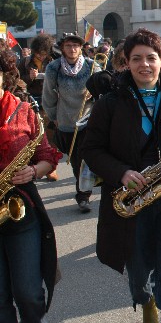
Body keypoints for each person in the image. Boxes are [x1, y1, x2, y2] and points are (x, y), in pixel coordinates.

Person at [81, 28, 161, 322]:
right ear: (126, 61)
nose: (144, 64)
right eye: (136, 58)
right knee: (139, 273)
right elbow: (92, 149)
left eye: (151, 57)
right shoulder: (109, 102)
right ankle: (148, 308)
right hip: (130, 201)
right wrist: (121, 172)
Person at [0, 49, 62, 323]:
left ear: (4, 75)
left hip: (20, 209)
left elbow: (47, 156)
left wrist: (34, 170)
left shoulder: (23, 112)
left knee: (28, 294)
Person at [42, 32, 100, 213]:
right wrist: (53, 117)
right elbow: (48, 96)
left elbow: (104, 90)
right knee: (73, 160)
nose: (72, 49)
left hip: (87, 121)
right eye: (68, 46)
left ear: (81, 47)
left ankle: (83, 196)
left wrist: (95, 92)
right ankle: (83, 186)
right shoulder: (54, 68)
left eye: (76, 45)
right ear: (62, 48)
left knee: (81, 161)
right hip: (65, 122)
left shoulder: (92, 66)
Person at [18, 33, 59, 182]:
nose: (41, 57)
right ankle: (36, 167)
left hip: (51, 102)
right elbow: (17, 82)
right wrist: (29, 77)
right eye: (38, 54)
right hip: (32, 103)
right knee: (35, 137)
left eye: (44, 54)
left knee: (51, 137)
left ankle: (51, 169)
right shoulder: (25, 62)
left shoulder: (54, 61)